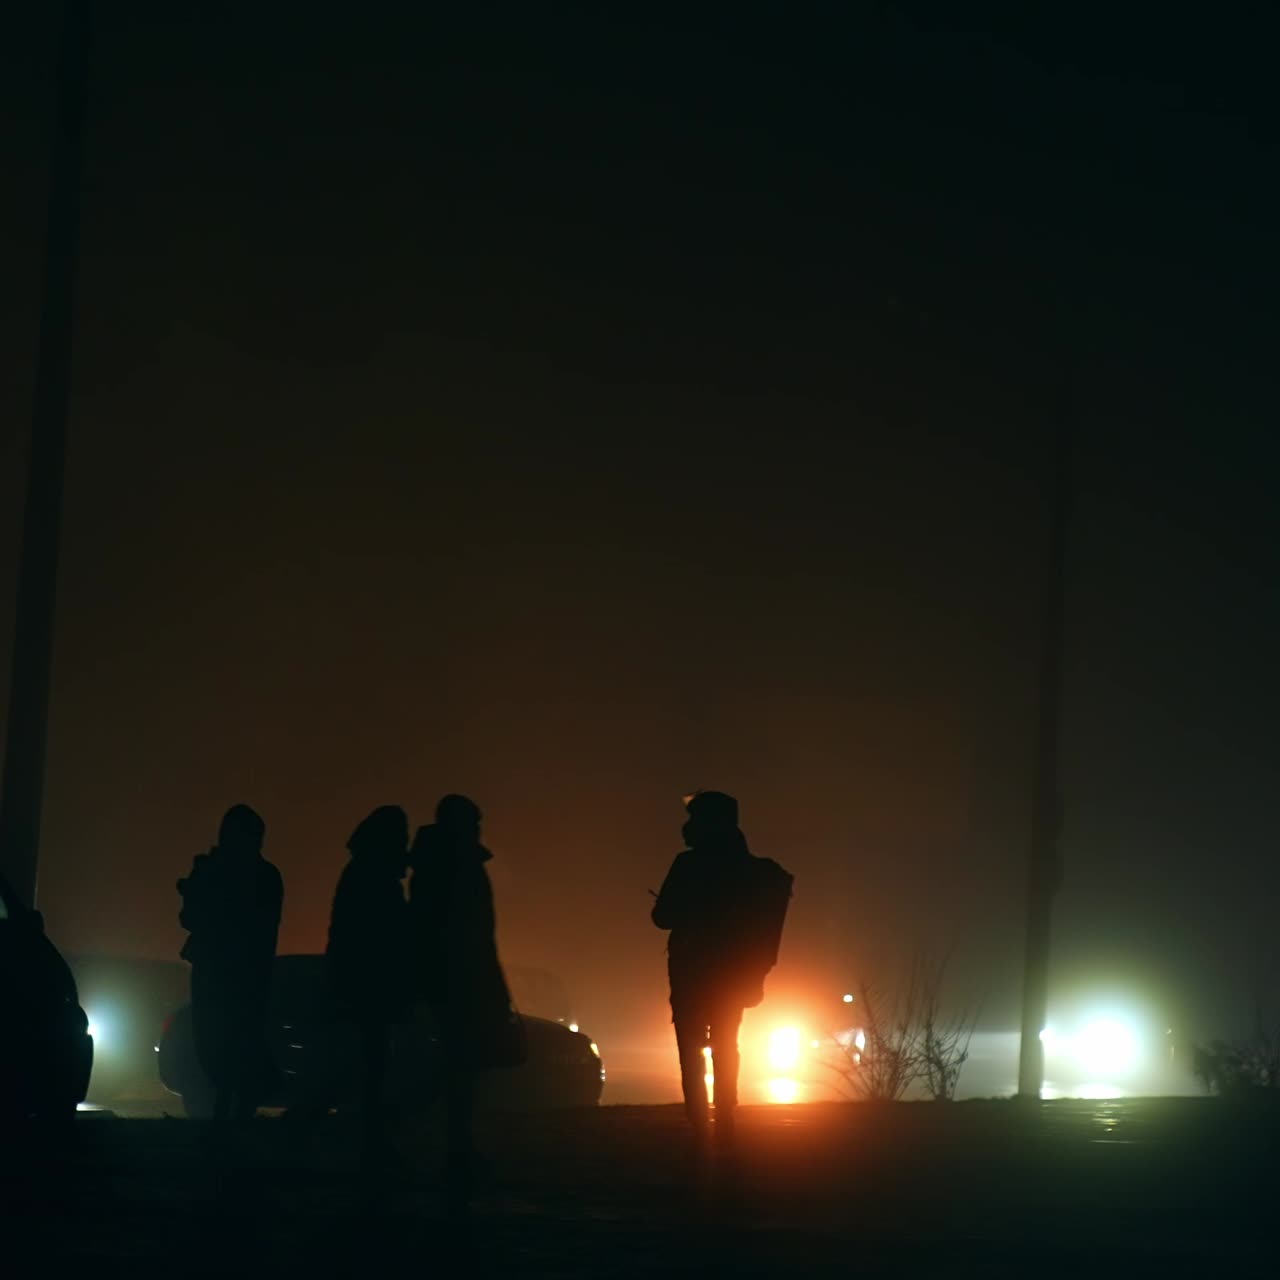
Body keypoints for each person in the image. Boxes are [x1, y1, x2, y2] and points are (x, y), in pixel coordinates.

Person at [652, 791, 793, 1147]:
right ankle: (725, 1115)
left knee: (690, 1043)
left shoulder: (687, 865)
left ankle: (699, 1120)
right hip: (734, 973)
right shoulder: (752, 871)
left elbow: (662, 916)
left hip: (691, 970)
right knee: (727, 1041)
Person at [409, 795, 522, 1208]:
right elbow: (474, 934)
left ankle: (451, 1144)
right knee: (461, 1067)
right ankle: (453, 1146)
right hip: (462, 980)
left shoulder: (432, 866)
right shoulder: (459, 868)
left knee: (457, 1066)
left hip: (450, 980)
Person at [177, 804, 283, 1127]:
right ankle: (233, 1114)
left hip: (227, 973)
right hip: (237, 974)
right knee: (223, 1044)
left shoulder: (239, 875)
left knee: (223, 1045)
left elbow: (193, 918)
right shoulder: (262, 876)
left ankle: (230, 1114)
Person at [325, 805, 412, 1171]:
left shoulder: (360, 872)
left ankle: (354, 1136)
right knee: (370, 1066)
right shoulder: (375, 879)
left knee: (363, 1065)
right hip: (370, 986)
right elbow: (386, 935)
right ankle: (367, 1140)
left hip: (361, 985)